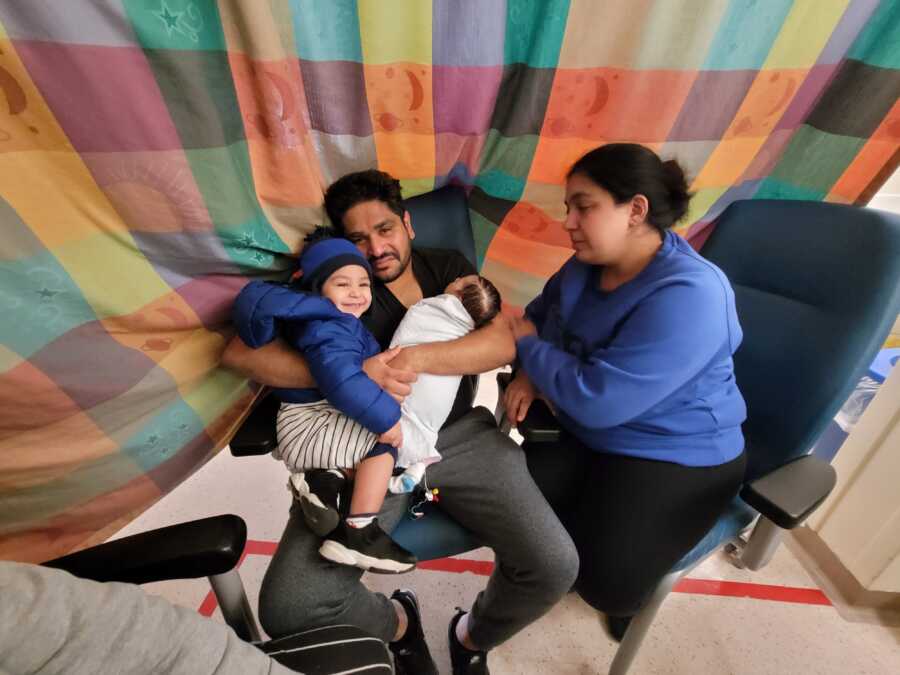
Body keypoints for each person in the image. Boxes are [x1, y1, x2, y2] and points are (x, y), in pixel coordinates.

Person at [222, 170, 578, 675]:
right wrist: (345, 374)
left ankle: (471, 636)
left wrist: (411, 360)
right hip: (366, 447)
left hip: (462, 439)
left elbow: (499, 344)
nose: (375, 248)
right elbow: (240, 354)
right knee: (291, 609)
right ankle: (399, 625)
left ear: (408, 225)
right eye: (358, 239)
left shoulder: (448, 268)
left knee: (553, 566)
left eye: (385, 229)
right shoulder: (334, 285)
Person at [504, 143, 748, 640]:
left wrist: (528, 348)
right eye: (568, 207)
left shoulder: (691, 294)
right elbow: (539, 318)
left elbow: (599, 400)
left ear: (635, 210)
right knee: (521, 519)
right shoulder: (583, 265)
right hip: (587, 431)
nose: (568, 221)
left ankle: (627, 589)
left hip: (673, 451)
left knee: (607, 587)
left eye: (583, 205)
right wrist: (530, 369)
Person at [233, 227, 416, 574]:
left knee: (374, 428)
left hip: (306, 423)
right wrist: (387, 420)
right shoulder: (331, 326)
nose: (357, 293)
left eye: (363, 284)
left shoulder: (325, 320)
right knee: (384, 445)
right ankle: (360, 534)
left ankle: (323, 483)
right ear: (318, 288)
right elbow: (341, 380)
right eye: (342, 284)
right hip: (310, 424)